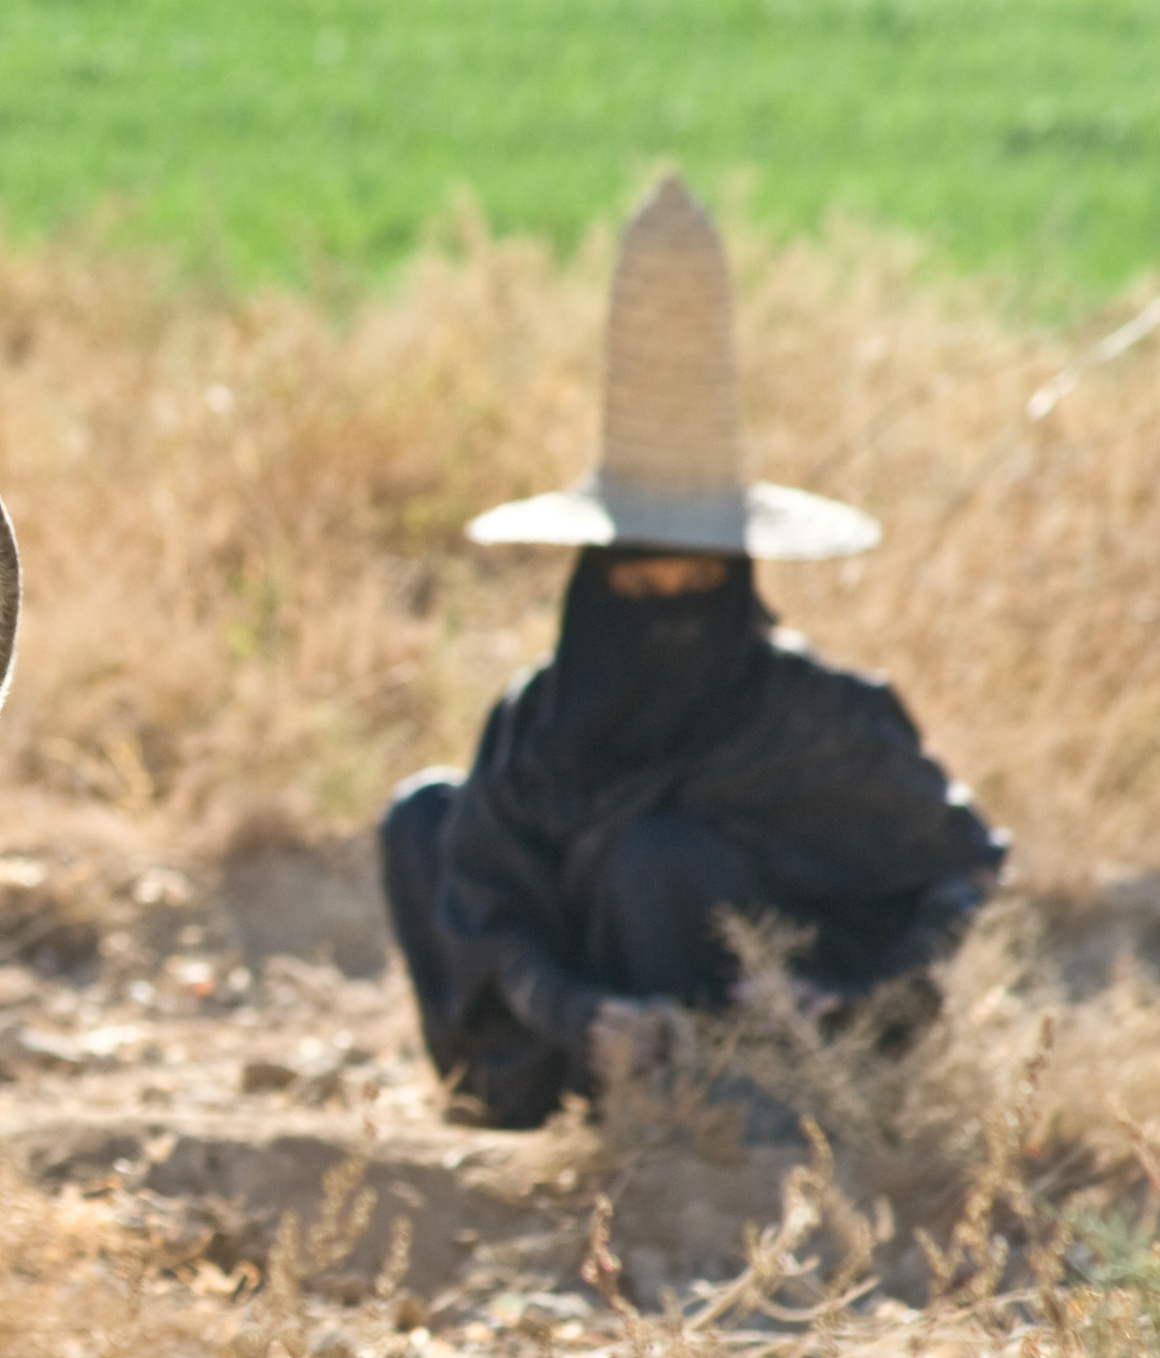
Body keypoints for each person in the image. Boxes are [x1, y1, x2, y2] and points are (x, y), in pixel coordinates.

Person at [381, 176, 1005, 1129]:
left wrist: (848, 993)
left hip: (758, 1064)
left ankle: (707, 1110)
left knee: (655, 854)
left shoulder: (824, 719)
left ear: (741, 585)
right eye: (639, 589)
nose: (666, 616)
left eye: (695, 590)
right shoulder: (539, 721)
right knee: (427, 818)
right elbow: (489, 902)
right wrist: (579, 1012)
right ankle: (509, 1103)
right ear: (593, 590)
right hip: (585, 1042)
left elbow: (959, 874)